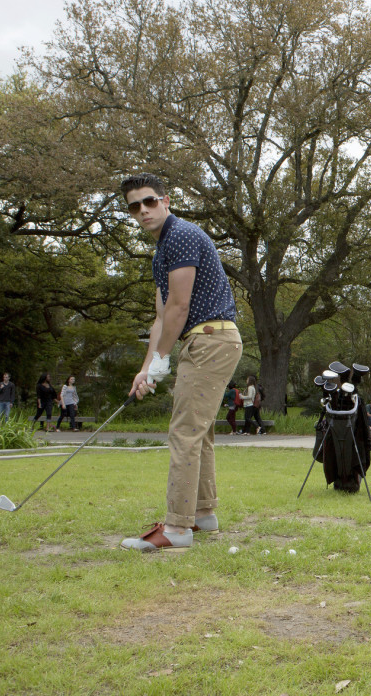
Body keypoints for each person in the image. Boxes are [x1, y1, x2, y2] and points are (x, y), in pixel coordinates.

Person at [119, 172, 242, 554]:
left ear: (166, 201)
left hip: (211, 339)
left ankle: (177, 528)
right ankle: (202, 514)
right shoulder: (161, 253)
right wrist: (147, 368)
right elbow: (161, 318)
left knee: (184, 432)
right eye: (134, 206)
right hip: (197, 342)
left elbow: (180, 306)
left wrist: (162, 360)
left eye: (149, 201)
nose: (143, 210)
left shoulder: (183, 235)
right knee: (198, 431)